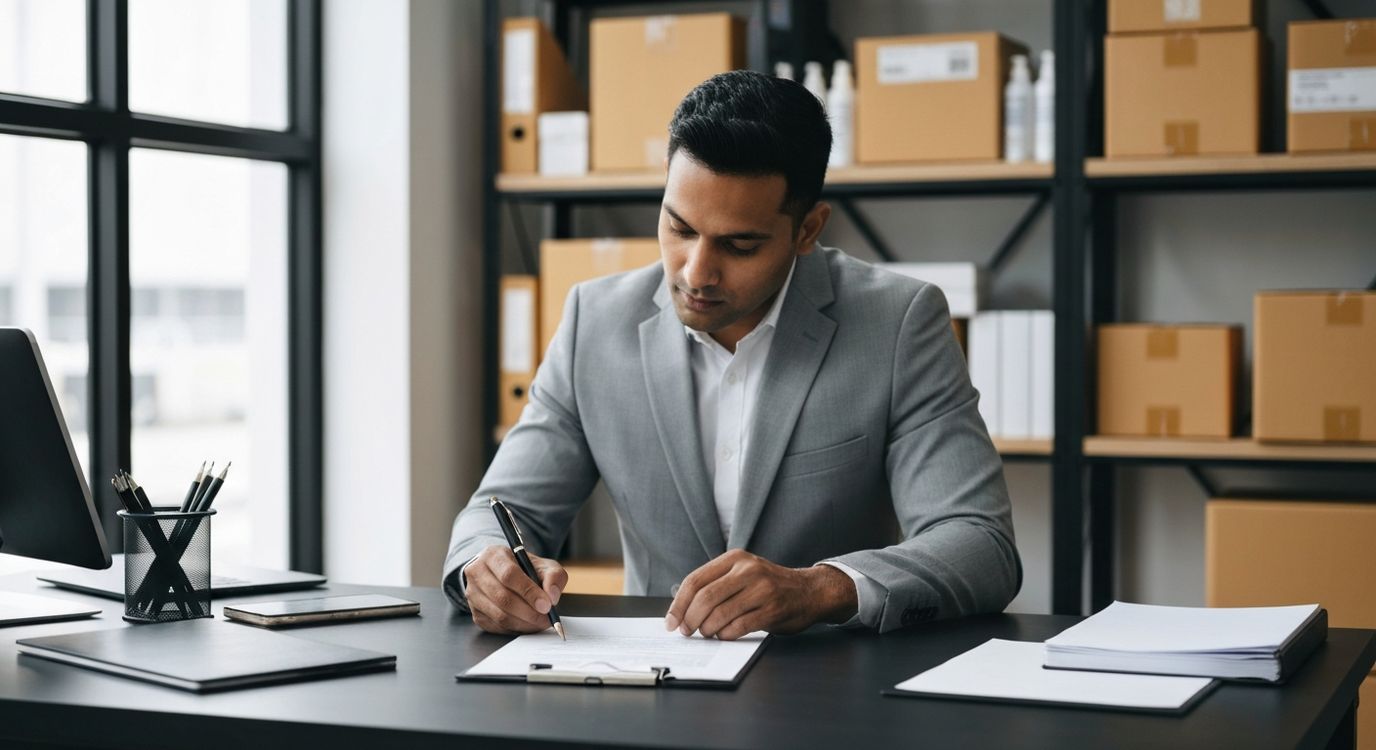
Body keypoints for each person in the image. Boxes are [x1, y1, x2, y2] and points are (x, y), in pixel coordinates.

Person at [443, 69, 1020, 638]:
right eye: (679, 227)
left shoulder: (898, 323)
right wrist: (486, 568)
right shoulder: (593, 322)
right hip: (649, 686)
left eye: (739, 245)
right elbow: (501, 509)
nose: (696, 272)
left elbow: (980, 544)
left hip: (829, 692)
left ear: (807, 229)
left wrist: (819, 589)